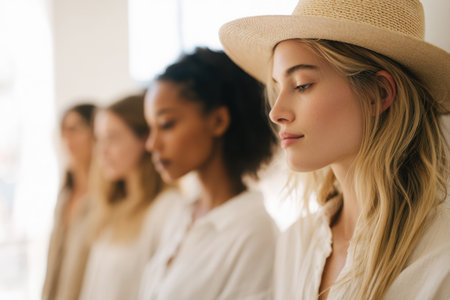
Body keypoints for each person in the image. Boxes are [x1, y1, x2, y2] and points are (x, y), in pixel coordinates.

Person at [219, 0, 450, 299]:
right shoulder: (296, 243)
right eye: (277, 88)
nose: (276, 112)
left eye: (302, 85)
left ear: (378, 94)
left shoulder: (439, 254)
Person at [139, 47, 278, 300]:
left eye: (166, 124)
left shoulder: (254, 232)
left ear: (218, 121)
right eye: (150, 127)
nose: (151, 144)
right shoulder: (181, 216)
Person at [79, 94, 179, 300]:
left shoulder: (166, 209)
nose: (102, 151)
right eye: (99, 139)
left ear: (145, 140)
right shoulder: (112, 209)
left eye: (113, 138)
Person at [42, 103, 96, 300]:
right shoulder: (65, 195)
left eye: (75, 129)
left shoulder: (106, 201)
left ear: (95, 132)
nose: (67, 139)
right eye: (64, 131)